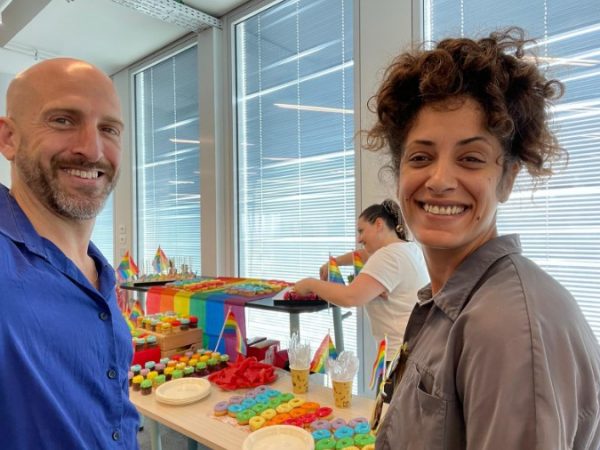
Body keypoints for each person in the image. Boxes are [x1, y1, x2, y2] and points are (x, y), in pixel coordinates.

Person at [365, 28, 600, 449]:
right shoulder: (450, 299)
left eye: (471, 158)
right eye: (420, 157)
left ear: (507, 178)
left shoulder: (507, 328)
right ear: (399, 174)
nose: (439, 180)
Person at [0, 59, 139, 448]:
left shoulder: (100, 272)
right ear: (8, 139)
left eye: (108, 129)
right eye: (63, 120)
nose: (92, 150)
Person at [294, 199, 429, 364]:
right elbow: (362, 254)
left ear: (378, 224)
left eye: (361, 231)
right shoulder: (409, 248)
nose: (359, 239)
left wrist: (310, 284)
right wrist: (334, 262)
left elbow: (350, 297)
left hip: (399, 356)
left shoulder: (387, 256)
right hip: (418, 349)